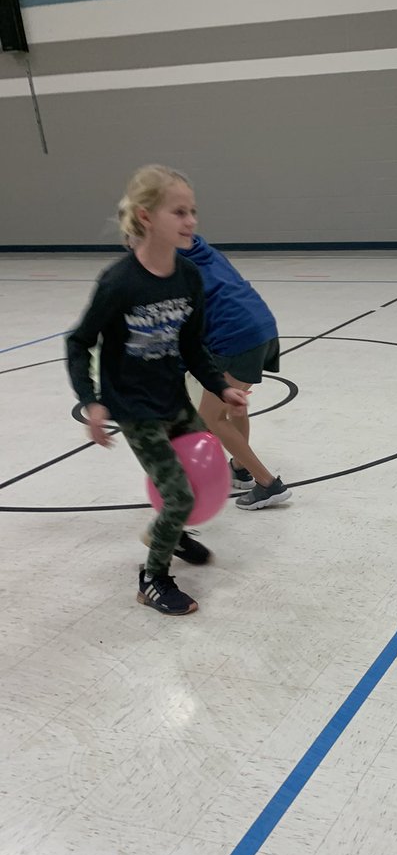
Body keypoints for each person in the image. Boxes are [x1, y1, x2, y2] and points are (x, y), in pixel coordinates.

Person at [67, 164, 248, 616]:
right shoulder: (119, 282)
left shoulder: (188, 276)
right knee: (179, 495)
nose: (191, 221)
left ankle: (172, 532)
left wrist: (220, 387)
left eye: (193, 211)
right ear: (147, 217)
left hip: (173, 399)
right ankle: (152, 579)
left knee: (200, 481)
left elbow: (192, 345)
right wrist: (91, 401)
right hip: (136, 409)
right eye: (179, 212)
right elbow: (79, 341)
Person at [178, 234, 290, 510]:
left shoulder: (171, 266)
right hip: (263, 328)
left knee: (212, 416)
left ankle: (268, 484)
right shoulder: (199, 248)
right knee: (233, 403)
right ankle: (240, 469)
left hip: (236, 338)